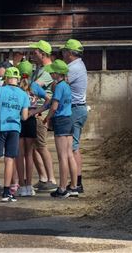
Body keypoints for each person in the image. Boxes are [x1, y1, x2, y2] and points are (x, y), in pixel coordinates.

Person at [0, 67, 29, 203]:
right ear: (18, 79)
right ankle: (6, 192)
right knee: (10, 159)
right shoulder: (23, 94)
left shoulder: (0, 90)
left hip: (0, 127)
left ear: (6, 78)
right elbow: (25, 116)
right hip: (14, 129)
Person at [43, 60, 79, 198]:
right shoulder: (66, 85)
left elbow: (54, 107)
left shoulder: (59, 86)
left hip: (61, 121)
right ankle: (74, 187)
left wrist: (48, 119)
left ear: (57, 73)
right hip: (69, 120)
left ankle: (62, 188)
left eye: (52, 71)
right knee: (69, 154)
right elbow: (51, 104)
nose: (50, 73)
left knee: (62, 156)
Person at [16, 61, 50, 197]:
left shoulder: (16, 88)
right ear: (31, 72)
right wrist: (36, 111)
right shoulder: (34, 86)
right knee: (29, 155)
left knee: (19, 155)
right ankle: (29, 186)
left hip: (18, 121)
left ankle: (21, 185)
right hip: (30, 120)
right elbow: (48, 100)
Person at [29, 40, 58, 191]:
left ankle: (51, 179)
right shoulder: (37, 70)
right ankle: (43, 178)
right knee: (34, 147)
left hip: (41, 113)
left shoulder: (47, 71)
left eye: (35, 52)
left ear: (43, 54)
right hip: (35, 112)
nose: (32, 55)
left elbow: (34, 87)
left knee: (41, 146)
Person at [61, 39, 88, 193]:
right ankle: (76, 181)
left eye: (65, 51)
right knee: (73, 147)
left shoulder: (73, 68)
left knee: (73, 148)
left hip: (75, 109)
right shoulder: (78, 65)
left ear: (70, 53)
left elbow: (59, 84)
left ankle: (76, 183)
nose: (63, 53)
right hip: (78, 108)